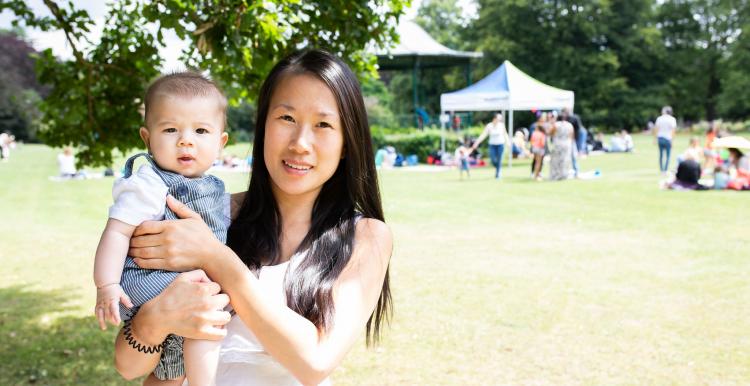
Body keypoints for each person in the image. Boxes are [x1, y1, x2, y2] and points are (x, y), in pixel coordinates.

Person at [114, 49, 392, 386]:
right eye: (286, 119)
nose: (300, 143)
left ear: (347, 141)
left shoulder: (366, 237)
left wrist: (215, 257)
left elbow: (315, 362)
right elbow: (129, 366)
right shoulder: (208, 215)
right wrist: (153, 320)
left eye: (323, 124)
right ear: (262, 127)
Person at [95, 72, 230, 385]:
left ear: (220, 142)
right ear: (147, 138)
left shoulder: (213, 187)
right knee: (202, 325)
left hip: (186, 284)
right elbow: (117, 231)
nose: (186, 139)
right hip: (153, 283)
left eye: (201, 130)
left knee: (192, 342)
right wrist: (106, 285)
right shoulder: (149, 184)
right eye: (170, 129)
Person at [471, 113, 509, 179]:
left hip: (500, 144)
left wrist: (508, 142)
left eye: (500, 119)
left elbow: (505, 134)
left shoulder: (501, 125)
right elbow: (484, 134)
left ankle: (498, 174)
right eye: (498, 119)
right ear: (494, 119)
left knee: (499, 159)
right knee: (493, 159)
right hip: (492, 145)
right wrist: (476, 142)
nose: (500, 120)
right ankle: (497, 167)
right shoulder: (489, 126)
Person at [549, 116, 574, 181]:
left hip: (557, 144)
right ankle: (564, 175)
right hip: (567, 143)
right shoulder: (569, 125)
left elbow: (551, 133)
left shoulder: (556, 124)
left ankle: (555, 176)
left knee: (555, 161)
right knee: (565, 160)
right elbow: (571, 135)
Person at [654, 106, 677, 174]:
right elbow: (673, 131)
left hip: (660, 138)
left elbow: (656, 129)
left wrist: (655, 138)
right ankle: (665, 170)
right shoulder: (672, 119)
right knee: (668, 156)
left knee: (661, 155)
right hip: (668, 138)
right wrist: (672, 140)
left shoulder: (659, 118)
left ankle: (661, 170)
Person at [530, 114, 547, 180]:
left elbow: (531, 140)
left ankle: (536, 174)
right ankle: (536, 175)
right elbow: (543, 143)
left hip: (535, 148)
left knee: (537, 162)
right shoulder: (542, 134)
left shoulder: (534, 133)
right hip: (540, 148)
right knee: (538, 162)